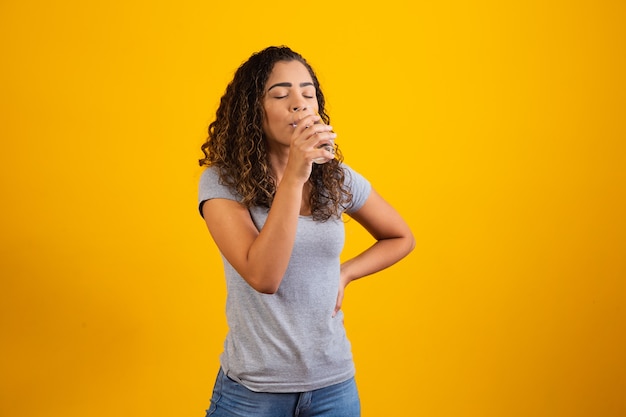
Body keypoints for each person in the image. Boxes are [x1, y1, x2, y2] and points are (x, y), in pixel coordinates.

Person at [198, 45, 415, 417]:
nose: (299, 103)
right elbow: (263, 276)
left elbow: (401, 237)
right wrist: (296, 175)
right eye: (281, 94)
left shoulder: (337, 179)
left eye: (308, 93)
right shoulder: (222, 183)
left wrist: (345, 273)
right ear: (254, 113)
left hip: (334, 388)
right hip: (254, 395)